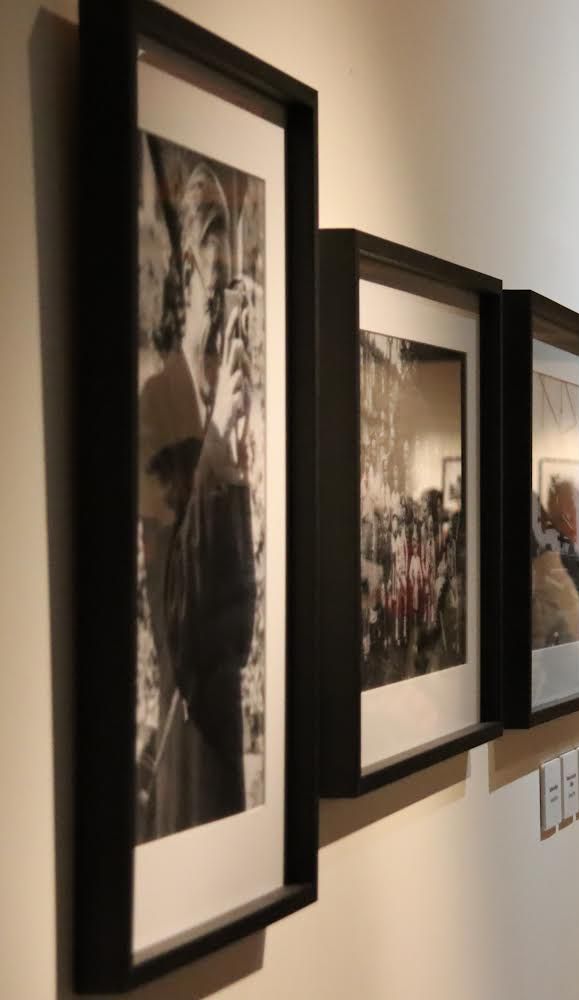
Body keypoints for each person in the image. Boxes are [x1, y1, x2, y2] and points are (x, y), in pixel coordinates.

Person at [137, 152, 258, 840]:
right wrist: (216, 450)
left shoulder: (223, 409)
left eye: (234, 298)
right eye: (216, 297)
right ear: (187, 275)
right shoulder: (158, 408)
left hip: (224, 722)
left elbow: (240, 614)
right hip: (191, 739)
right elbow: (175, 622)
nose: (225, 321)